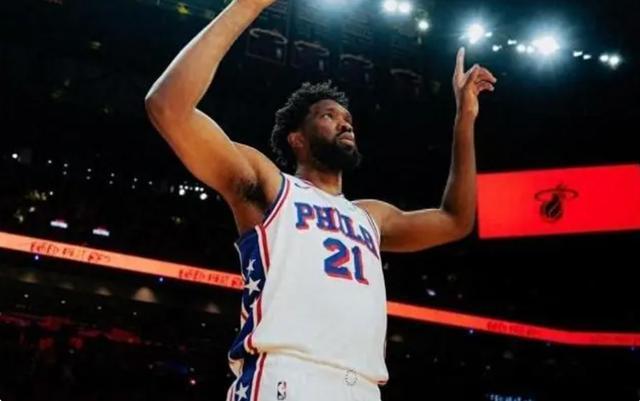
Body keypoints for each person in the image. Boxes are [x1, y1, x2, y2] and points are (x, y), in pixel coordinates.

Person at [144, 0, 496, 400]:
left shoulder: (370, 216)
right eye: (329, 115)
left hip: (363, 386)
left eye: (347, 118)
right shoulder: (270, 186)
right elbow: (168, 107)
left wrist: (464, 119)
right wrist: (249, 5)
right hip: (286, 375)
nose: (344, 122)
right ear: (297, 139)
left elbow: (455, 220)